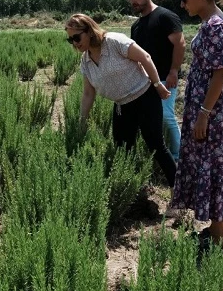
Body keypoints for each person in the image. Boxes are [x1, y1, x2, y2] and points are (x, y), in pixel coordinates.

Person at [169, 0, 223, 250]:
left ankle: (219, 237)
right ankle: (214, 229)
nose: (182, 4)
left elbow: (220, 75)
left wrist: (204, 115)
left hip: (213, 112)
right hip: (208, 108)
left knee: (213, 166)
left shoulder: (215, 27)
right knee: (210, 165)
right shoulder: (212, 22)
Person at [66, 13, 176, 186]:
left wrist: (157, 84)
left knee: (156, 145)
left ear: (89, 31)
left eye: (77, 37)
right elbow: (88, 93)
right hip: (121, 106)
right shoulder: (85, 61)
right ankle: (131, 188)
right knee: (122, 151)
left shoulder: (114, 41)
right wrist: (82, 120)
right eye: (70, 40)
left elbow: (145, 57)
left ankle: (177, 192)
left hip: (144, 97)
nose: (74, 42)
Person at [127, 0, 186, 162]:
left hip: (165, 78)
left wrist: (174, 71)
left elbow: (180, 44)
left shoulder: (165, 17)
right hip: (144, 82)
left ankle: (177, 157)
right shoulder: (136, 26)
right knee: (147, 119)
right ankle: (157, 155)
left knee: (167, 116)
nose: (133, 1)